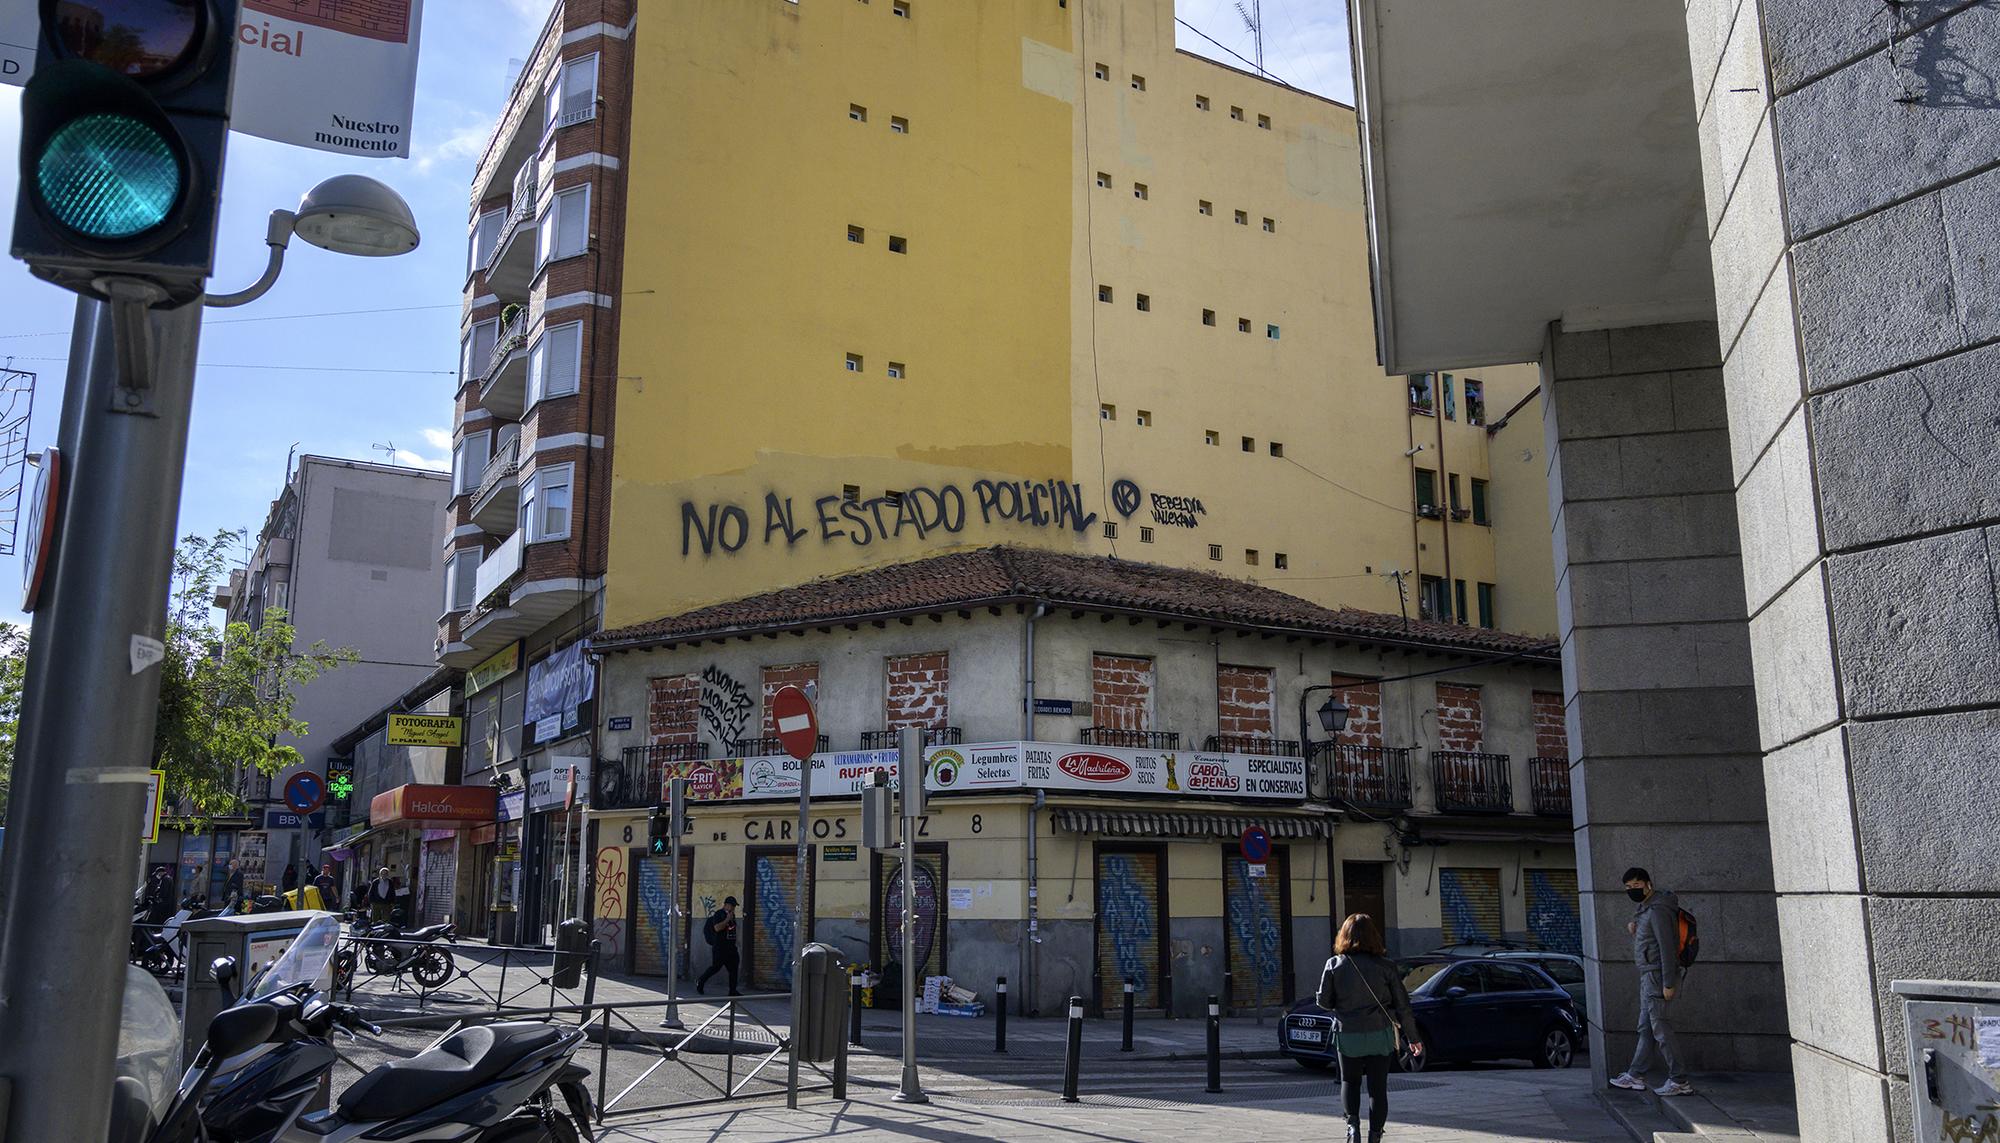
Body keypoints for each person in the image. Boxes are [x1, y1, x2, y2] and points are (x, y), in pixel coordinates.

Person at [1317, 914, 1422, 1143]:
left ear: (1344, 935)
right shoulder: (1387, 966)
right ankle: (1375, 1136)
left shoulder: (1334, 964)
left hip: (1347, 1033)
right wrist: (1413, 1038)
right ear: (1374, 936)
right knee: (1378, 1088)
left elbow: (1324, 1002)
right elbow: (1403, 1005)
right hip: (1379, 1033)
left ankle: (1353, 1129)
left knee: (1349, 1081)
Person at [1608, 866, 1692, 1097]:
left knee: (1661, 1030)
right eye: (1627, 887)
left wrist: (1668, 983)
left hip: (1657, 976)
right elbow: (1652, 942)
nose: (1632, 890)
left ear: (1648, 884)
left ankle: (1679, 1080)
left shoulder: (1657, 910)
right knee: (1646, 1028)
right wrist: (1636, 931)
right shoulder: (1646, 910)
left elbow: (1667, 947)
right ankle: (1636, 1074)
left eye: (1636, 885)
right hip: (1649, 975)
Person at [696, 896, 741, 996]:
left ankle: (732, 990)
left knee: (734, 968)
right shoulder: (718, 914)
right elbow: (717, 928)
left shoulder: (732, 915)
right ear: (726, 905)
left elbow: (733, 929)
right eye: (731, 906)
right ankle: (701, 981)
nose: (733, 908)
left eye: (734, 906)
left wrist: (737, 941)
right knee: (716, 967)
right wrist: (726, 920)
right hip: (720, 947)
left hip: (731, 947)